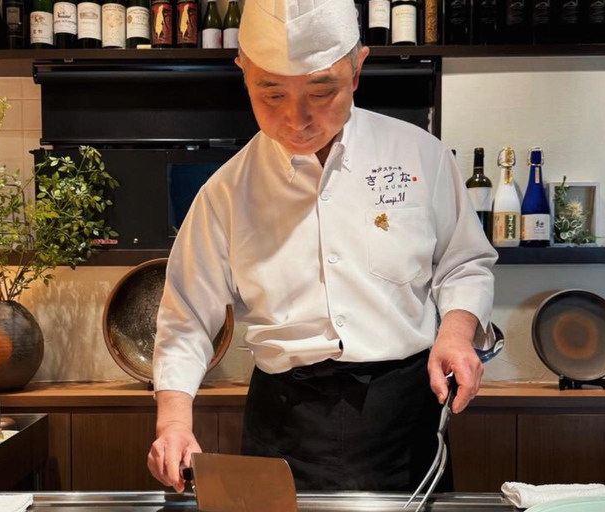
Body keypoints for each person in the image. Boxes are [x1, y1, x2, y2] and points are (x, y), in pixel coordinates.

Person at [147, 0, 498, 493]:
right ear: (242, 73)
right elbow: (185, 317)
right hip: (283, 423)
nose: (297, 118)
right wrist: (174, 424)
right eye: (271, 94)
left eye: (321, 90)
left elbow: (465, 263)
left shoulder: (421, 155)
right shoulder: (226, 192)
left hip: (404, 418)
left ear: (357, 70)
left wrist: (457, 333)